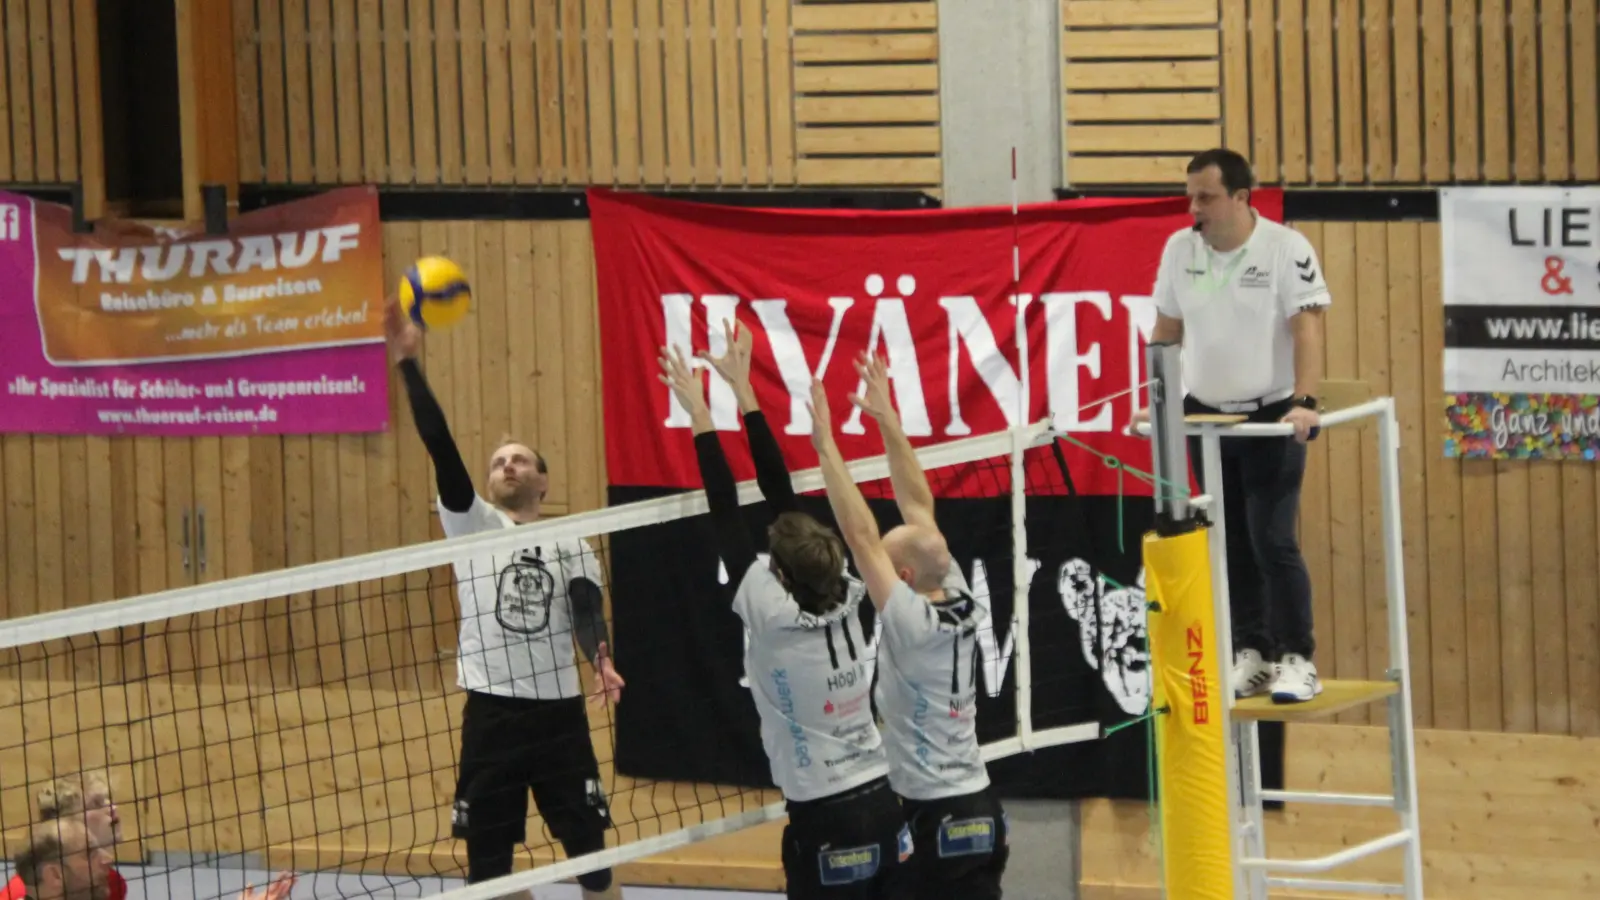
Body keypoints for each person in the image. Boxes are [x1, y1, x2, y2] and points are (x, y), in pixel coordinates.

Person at [657, 324, 910, 899]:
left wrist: (700, 412)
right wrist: (742, 391)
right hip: (883, 799)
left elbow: (727, 508)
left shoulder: (770, 614)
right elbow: (783, 500)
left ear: (781, 573)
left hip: (825, 817)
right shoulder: (848, 592)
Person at [385, 299, 626, 899]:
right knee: (490, 873)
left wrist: (600, 656)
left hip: (559, 714)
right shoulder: (472, 523)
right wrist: (410, 366)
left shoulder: (571, 539)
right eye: (498, 462)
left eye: (520, 459)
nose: (507, 466)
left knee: (593, 866)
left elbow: (584, 606)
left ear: (543, 481)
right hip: (492, 714)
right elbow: (440, 446)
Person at [1136, 148, 1328, 703]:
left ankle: (1298, 657)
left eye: (1207, 197)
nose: (1194, 207)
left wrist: (1304, 400)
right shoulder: (1179, 249)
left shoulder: (1285, 248)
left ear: (1242, 198)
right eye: (1190, 195)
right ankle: (1255, 653)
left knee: (1272, 538)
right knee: (1232, 541)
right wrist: (1161, 398)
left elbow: (1308, 328)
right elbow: (1166, 330)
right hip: (1207, 415)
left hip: (1270, 414)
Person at [821, 354, 1009, 899]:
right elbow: (918, 504)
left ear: (902, 575)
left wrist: (826, 446)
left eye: (886, 564)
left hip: (934, 815)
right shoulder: (959, 593)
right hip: (980, 804)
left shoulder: (909, 620)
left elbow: (858, 535)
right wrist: (886, 417)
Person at [2, 773, 124, 900]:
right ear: (65, 820)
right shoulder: (21, 891)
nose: (113, 807)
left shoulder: (107, 881)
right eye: (96, 804)